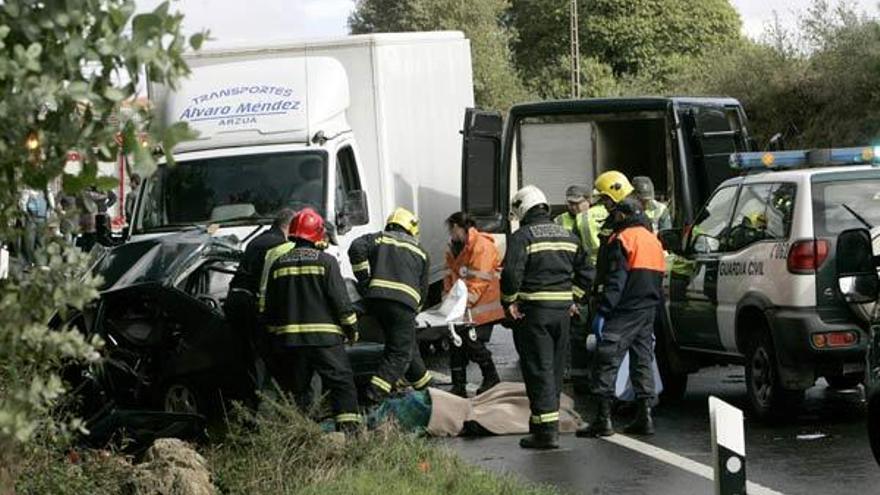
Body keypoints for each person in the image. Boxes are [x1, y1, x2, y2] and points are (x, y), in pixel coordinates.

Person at [502, 185, 593, 449]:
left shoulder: (523, 236)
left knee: (537, 369)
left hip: (534, 314)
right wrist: (573, 299)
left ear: (523, 209)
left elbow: (510, 275)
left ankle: (546, 433)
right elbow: (587, 272)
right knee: (553, 369)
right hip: (562, 315)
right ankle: (544, 425)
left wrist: (509, 303)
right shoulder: (568, 235)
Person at [578, 171, 666, 438]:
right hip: (647, 307)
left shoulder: (623, 239)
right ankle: (645, 417)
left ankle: (602, 420)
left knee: (606, 358)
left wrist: (603, 311)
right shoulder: (650, 237)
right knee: (642, 361)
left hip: (624, 308)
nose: (605, 208)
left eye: (607, 203)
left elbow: (616, 280)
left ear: (619, 209)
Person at [263, 208, 362, 433]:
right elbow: (341, 302)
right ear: (316, 234)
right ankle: (350, 433)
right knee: (342, 384)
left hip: (290, 342)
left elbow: (270, 308)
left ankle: (299, 434)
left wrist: (274, 336)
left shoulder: (278, 264)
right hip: (324, 341)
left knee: (296, 391)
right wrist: (352, 329)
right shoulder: (326, 262)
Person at [349, 207, 433, 403]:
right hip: (403, 306)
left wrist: (365, 281)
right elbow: (423, 290)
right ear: (411, 229)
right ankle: (373, 395)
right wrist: (414, 311)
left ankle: (426, 388)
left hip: (376, 301)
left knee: (407, 345)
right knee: (399, 353)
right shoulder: (421, 252)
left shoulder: (379, 239)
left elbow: (356, 247)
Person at [226, 209, 296, 391]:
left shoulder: (257, 240)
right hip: (251, 303)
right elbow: (272, 283)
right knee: (262, 359)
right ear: (288, 226)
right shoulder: (279, 245)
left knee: (246, 358)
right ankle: (261, 400)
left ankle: (247, 401)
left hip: (234, 299)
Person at [442, 212, 503, 397]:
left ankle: (491, 377)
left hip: (481, 308)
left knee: (472, 344)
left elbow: (479, 281)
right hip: (464, 307)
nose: (450, 234)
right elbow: (449, 277)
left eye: (451, 229)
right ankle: (458, 385)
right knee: (456, 344)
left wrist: (461, 304)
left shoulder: (481, 246)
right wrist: (448, 302)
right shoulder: (455, 248)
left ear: (457, 227)